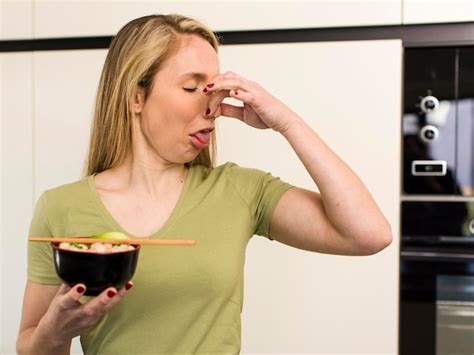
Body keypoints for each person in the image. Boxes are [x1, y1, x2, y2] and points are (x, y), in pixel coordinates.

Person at [16, 14, 392, 355]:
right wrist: (55, 331)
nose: (211, 107)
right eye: (192, 88)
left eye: (213, 90)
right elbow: (32, 345)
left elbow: (369, 234)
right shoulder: (60, 207)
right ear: (136, 96)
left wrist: (287, 123)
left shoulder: (239, 191)